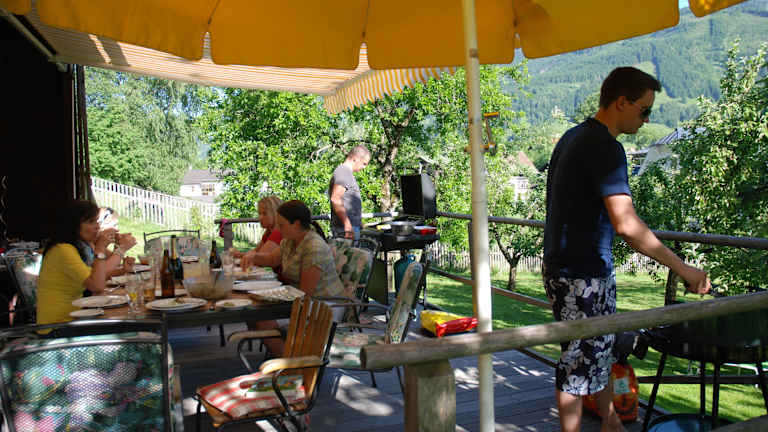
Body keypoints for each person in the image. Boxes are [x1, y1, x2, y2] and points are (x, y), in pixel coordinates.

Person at [542, 67, 711, 432]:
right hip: (582, 275)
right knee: (576, 366)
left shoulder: (573, 136)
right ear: (621, 102)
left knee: (598, 352)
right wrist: (684, 269)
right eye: (644, 110)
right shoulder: (606, 147)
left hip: (571, 269)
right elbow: (627, 225)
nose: (647, 119)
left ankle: (611, 421)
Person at [245, 200, 345, 356]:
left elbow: (305, 293)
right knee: (254, 313)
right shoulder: (289, 241)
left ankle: (293, 363)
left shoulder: (314, 247)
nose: (278, 229)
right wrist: (252, 256)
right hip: (305, 302)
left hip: (325, 307)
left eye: (281, 225)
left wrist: (271, 298)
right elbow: (272, 259)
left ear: (296, 224)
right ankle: (290, 356)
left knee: (262, 319)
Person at [37, 200, 137, 325]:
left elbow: (95, 276)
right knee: (132, 322)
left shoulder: (78, 246)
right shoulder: (62, 250)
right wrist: (115, 249)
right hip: (59, 325)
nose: (97, 227)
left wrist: (121, 270)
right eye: (91, 222)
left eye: (96, 221)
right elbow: (97, 285)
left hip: (78, 317)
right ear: (73, 225)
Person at [233, 195, 283, 276]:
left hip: (284, 280)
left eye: (264, 214)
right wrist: (239, 254)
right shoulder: (268, 233)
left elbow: (258, 260)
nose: (260, 218)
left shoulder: (278, 233)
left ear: (275, 214)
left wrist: (240, 255)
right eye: (259, 213)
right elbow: (255, 253)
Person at [328, 145, 370, 239]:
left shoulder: (346, 173)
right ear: (355, 158)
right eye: (364, 163)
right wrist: (347, 225)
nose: (364, 167)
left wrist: (359, 223)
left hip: (351, 228)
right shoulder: (343, 172)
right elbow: (335, 198)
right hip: (345, 230)